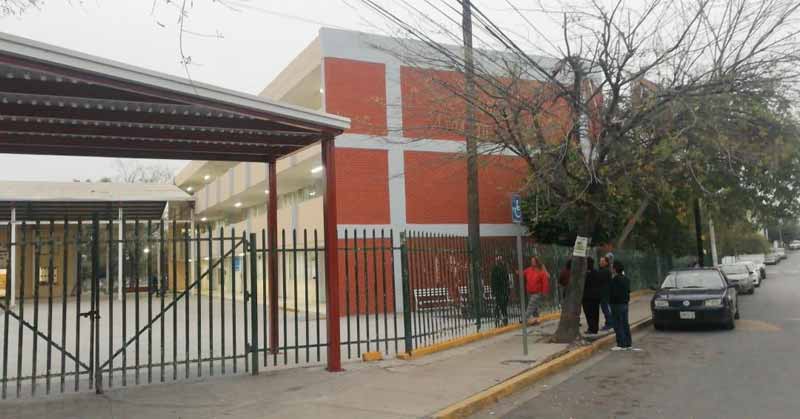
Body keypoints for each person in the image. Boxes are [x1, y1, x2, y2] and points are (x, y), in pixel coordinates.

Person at [610, 260, 634, 351]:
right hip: (625, 303)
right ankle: (628, 343)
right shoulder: (626, 279)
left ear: (615, 269)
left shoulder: (615, 280)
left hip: (616, 304)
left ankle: (621, 344)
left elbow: (613, 292)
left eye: (612, 267)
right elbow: (628, 291)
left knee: (618, 324)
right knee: (625, 324)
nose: (611, 269)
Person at [523, 256, 550, 325]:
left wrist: (544, 292)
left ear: (537, 262)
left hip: (537, 292)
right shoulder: (529, 269)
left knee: (531, 305)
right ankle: (537, 319)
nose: (532, 262)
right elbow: (522, 273)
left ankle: (525, 319)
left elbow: (545, 282)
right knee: (534, 306)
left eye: (533, 261)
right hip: (530, 291)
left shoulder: (541, 271)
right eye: (531, 261)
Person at [582, 257, 601, 334]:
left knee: (589, 313)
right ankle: (595, 328)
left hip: (587, 297)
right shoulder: (596, 272)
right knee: (595, 313)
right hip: (596, 296)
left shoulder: (585, 274)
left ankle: (591, 328)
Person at [490, 254, 510, 326]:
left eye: (500, 260)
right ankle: (499, 319)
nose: (499, 261)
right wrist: (493, 291)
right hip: (499, 290)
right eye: (498, 260)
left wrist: (507, 290)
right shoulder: (495, 269)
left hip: (502, 290)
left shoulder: (504, 268)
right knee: (499, 306)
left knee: (502, 306)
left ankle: (503, 319)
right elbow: (493, 281)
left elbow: (507, 280)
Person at [598, 256, 615, 331]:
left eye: (602, 261)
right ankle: (609, 323)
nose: (600, 263)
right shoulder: (604, 270)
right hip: (604, 293)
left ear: (606, 263)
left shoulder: (605, 271)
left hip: (605, 293)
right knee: (606, 309)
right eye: (600, 261)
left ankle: (609, 323)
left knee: (606, 309)